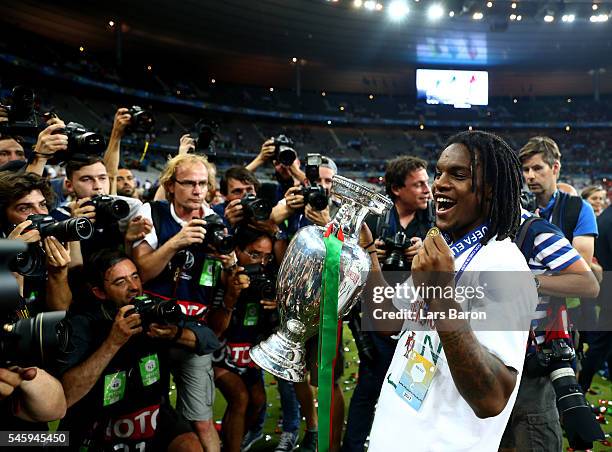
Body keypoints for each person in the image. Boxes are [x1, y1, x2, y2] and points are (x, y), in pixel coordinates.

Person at [364, 130, 538, 451]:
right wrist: (369, 254)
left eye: (458, 174)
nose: (439, 184)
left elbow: (492, 398)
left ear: (490, 190)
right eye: (438, 172)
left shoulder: (502, 266)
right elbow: (385, 320)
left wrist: (441, 296)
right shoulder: (447, 252)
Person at [58, 250, 207, 451]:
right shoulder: (82, 324)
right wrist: (113, 342)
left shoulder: (154, 310)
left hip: (151, 418)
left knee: (190, 446)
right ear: (99, 292)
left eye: (135, 276)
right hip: (96, 427)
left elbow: (210, 339)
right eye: (120, 282)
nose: (134, 287)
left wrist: (174, 333)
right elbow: (65, 397)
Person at [343, 155, 434, 452]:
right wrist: (367, 253)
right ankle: (353, 447)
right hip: (376, 315)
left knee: (415, 391)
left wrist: (428, 251)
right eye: (418, 184)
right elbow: (345, 264)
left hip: (418, 321)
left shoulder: (434, 220)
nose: (427, 190)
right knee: (369, 387)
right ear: (397, 189)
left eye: (427, 183)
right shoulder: (372, 219)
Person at [132, 153, 222, 451]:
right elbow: (142, 272)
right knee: (142, 413)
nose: (197, 191)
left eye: (203, 184)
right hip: (150, 327)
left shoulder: (215, 222)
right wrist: (176, 242)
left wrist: (230, 262)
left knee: (202, 420)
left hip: (192, 332)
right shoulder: (152, 213)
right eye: (189, 183)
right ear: (171, 185)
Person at [499, 208, 599, 452]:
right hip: (488, 363)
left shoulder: (534, 231)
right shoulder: (470, 228)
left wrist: (529, 281)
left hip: (529, 366)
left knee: (533, 438)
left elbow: (589, 284)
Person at [208, 227, 277, 452]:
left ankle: (231, 443)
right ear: (237, 251)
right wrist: (231, 295)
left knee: (257, 400)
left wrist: (278, 306)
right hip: (218, 354)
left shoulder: (269, 279)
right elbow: (215, 331)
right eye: (255, 254)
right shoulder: (224, 276)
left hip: (247, 356)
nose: (261, 262)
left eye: (267, 257)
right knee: (240, 397)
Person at [0, 172, 73, 311]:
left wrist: (58, 273)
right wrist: (11, 266)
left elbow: (60, 310)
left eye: (43, 204)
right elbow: (12, 319)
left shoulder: (48, 245)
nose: (41, 214)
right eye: (25, 208)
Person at [519, 136, 598, 263]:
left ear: (555, 168)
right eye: (526, 170)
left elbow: (580, 273)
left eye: (537, 168)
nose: (530, 176)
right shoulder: (520, 207)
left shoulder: (580, 209)